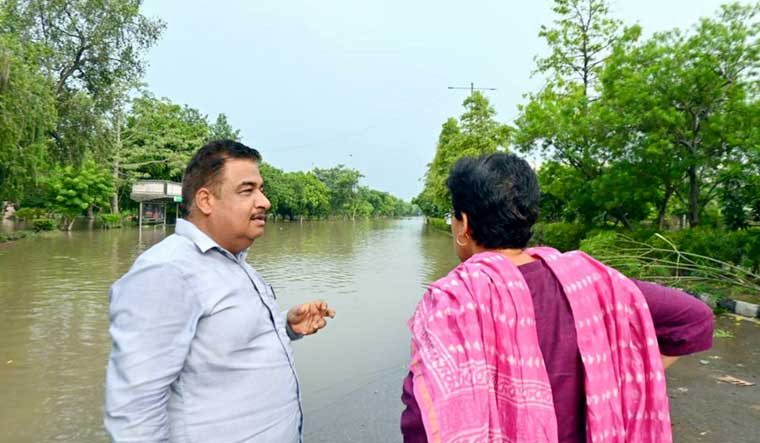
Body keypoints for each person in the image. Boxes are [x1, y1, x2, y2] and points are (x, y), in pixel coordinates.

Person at [401, 153, 713, 443]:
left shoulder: (452, 304)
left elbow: (423, 422)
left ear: (464, 225)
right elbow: (695, 318)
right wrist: (622, 377)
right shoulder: (590, 283)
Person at [104, 140, 335, 443]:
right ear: (206, 201)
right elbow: (134, 409)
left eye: (261, 189)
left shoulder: (234, 261)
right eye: (247, 190)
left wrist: (286, 326)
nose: (264, 201)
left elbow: (223, 341)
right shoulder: (166, 272)